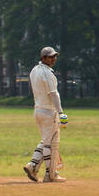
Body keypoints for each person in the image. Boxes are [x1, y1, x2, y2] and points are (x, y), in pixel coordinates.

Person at [23, 46, 67, 183]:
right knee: (52, 144)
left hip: (38, 110)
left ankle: (33, 165)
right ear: (43, 58)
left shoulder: (34, 70)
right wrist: (60, 112)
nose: (53, 59)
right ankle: (50, 174)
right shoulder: (47, 73)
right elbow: (53, 94)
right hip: (48, 112)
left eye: (54, 56)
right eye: (50, 57)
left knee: (45, 140)